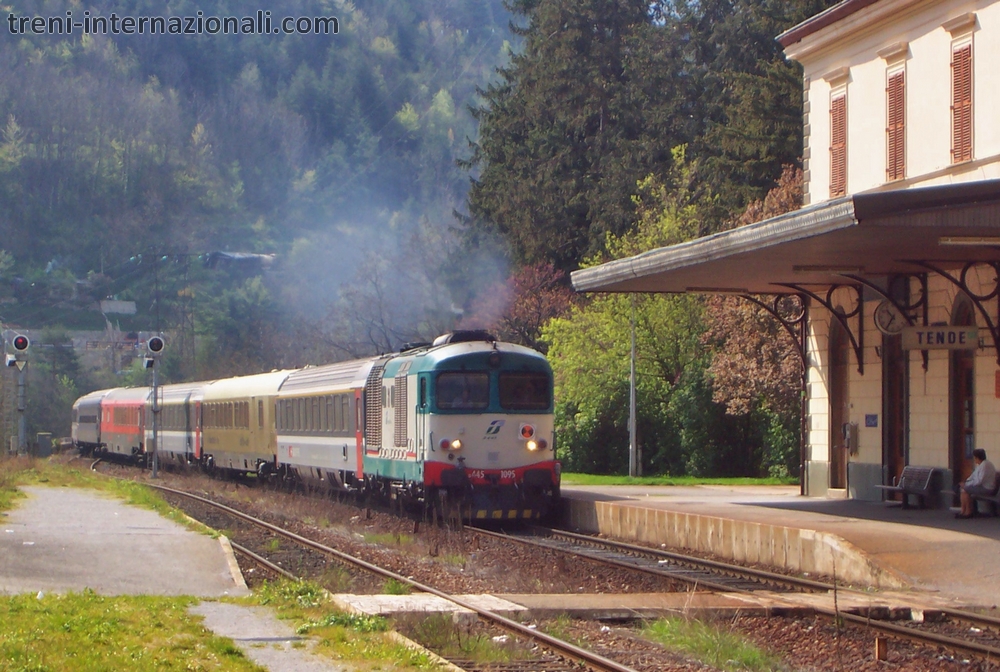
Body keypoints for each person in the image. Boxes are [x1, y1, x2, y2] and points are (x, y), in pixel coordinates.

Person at [957, 448, 997, 518]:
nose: (974, 460)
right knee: (964, 489)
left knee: (965, 489)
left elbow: (979, 481)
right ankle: (963, 511)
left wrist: (966, 485)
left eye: (975, 458)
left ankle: (967, 512)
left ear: (977, 458)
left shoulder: (985, 466)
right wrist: (966, 483)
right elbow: (973, 477)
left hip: (987, 489)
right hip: (982, 487)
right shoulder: (981, 465)